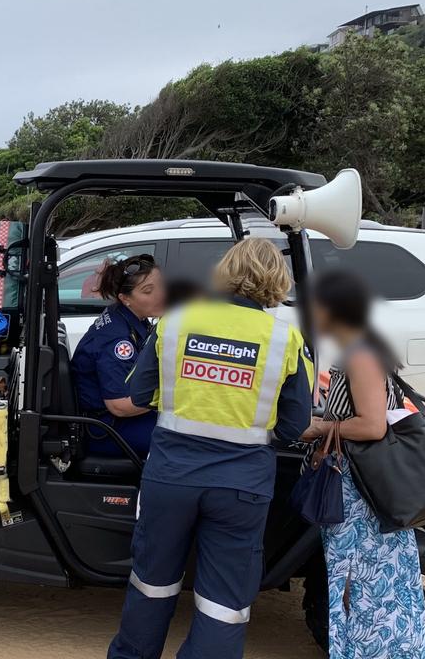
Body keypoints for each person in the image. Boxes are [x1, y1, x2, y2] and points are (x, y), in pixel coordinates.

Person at [107, 238, 313, 659]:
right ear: (277, 282)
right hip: (241, 487)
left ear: (226, 270)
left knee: (152, 583)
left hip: (171, 477)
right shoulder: (285, 339)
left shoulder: (176, 322)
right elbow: (295, 425)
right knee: (223, 604)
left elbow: (142, 394)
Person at [300, 270, 425, 658]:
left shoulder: (361, 355)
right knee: (365, 582)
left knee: (362, 583)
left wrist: (320, 426)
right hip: (363, 488)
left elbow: (372, 425)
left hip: (359, 493)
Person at [69, 254, 165, 457]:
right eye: (148, 291)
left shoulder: (126, 318)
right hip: (109, 430)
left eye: (161, 286)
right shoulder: (117, 339)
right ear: (125, 299)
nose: (160, 295)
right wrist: (173, 398)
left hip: (120, 421)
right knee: (185, 440)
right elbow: (120, 405)